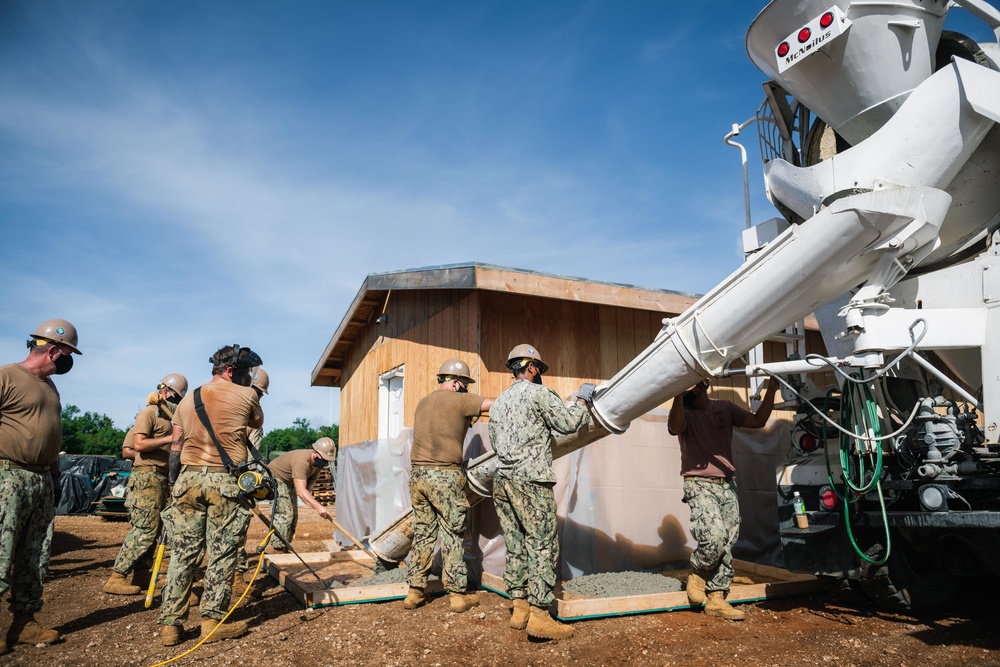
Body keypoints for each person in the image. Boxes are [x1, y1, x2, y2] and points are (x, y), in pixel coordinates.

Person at [158, 344, 263, 647]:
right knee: (222, 553)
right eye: (245, 372)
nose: (248, 378)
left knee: (183, 552)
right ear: (230, 371)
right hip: (224, 480)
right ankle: (211, 621)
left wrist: (174, 484)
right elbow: (256, 422)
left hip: (188, 478)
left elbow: (175, 448)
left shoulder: (187, 400)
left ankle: (171, 626)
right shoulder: (247, 395)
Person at [488, 344, 593, 640]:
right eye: (539, 370)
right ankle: (539, 615)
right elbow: (568, 424)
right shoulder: (539, 394)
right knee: (542, 544)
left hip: (503, 481)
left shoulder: (498, 403)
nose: (540, 375)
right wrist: (584, 399)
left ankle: (519, 606)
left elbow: (496, 442)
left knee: (516, 542)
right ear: (531, 367)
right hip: (531, 481)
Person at [0, 318, 83, 654]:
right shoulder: (7, 376)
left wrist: (55, 476)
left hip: (41, 479)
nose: (68, 361)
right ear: (53, 350)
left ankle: (24, 622)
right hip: (8, 476)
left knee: (36, 554)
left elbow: (51, 434)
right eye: (67, 353)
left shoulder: (50, 386)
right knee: (1, 551)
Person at [668, 375, 779, 621]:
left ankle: (716, 598)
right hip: (699, 483)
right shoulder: (683, 412)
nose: (686, 389)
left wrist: (771, 391)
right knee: (714, 535)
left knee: (728, 541)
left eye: (690, 384)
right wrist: (677, 393)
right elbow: (675, 427)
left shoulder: (724, 407)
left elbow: (758, 420)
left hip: (727, 483)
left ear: (702, 384)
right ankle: (698, 571)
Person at [403, 358, 493, 614]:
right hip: (445, 476)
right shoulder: (460, 400)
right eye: (464, 384)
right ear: (455, 382)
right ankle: (457, 595)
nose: (465, 389)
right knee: (453, 534)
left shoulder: (423, 402)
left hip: (418, 476)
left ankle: (415, 591)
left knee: (423, 532)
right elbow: (497, 405)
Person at [104, 374, 188, 596]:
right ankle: (117, 576)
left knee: (158, 529)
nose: (172, 400)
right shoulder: (148, 413)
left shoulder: (169, 420)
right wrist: (169, 441)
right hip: (147, 477)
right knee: (145, 529)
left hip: (161, 478)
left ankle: (142, 574)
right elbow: (137, 445)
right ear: (165, 392)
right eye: (172, 395)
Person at [265, 437, 337, 551]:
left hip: (288, 481)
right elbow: (301, 492)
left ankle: (284, 546)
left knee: (294, 516)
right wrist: (319, 507)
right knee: (285, 514)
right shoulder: (302, 462)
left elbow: (309, 484)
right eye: (323, 459)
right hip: (275, 477)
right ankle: (278, 549)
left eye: (326, 460)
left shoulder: (318, 464)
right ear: (315, 453)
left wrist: (309, 494)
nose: (324, 462)